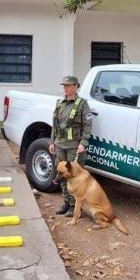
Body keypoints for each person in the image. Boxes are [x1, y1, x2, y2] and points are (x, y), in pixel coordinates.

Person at [50, 75, 92, 216]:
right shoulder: (59, 103)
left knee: (75, 178)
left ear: (76, 86)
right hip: (60, 145)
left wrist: (83, 143)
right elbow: (55, 125)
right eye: (64, 86)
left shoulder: (82, 104)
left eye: (68, 85)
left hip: (74, 146)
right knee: (62, 176)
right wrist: (52, 142)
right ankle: (66, 202)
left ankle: (75, 207)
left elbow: (87, 125)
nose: (66, 88)